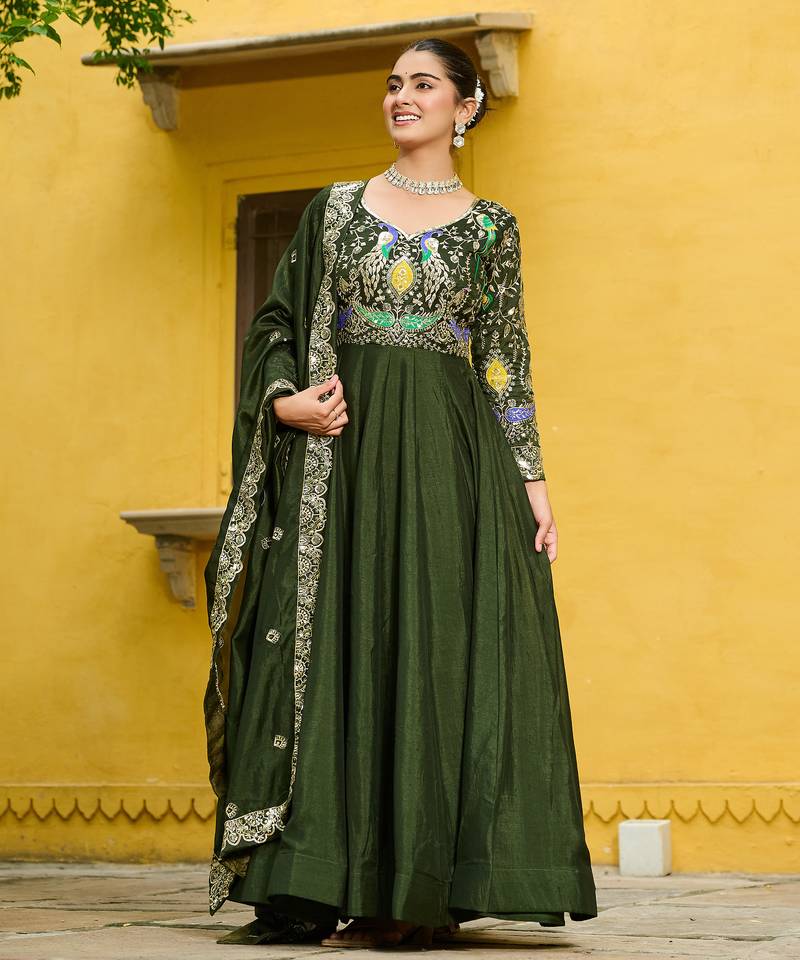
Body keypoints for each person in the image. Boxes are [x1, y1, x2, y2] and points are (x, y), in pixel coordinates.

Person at [202, 36, 598, 949]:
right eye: (393, 85)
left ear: (465, 106)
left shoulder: (491, 228)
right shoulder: (336, 210)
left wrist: (532, 480)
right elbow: (276, 323)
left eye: (424, 84)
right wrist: (285, 402)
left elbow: (504, 358)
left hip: (451, 462)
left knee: (430, 649)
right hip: (339, 462)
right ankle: (305, 886)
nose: (402, 97)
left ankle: (411, 891)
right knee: (338, 645)